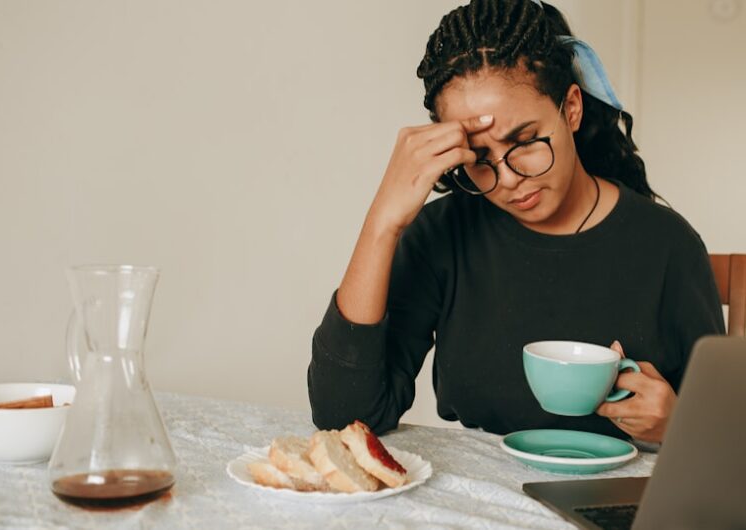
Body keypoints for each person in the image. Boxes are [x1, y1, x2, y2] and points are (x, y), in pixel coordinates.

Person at [308, 0, 724, 444]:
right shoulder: (442, 234)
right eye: (480, 158)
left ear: (572, 108)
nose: (507, 181)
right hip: (478, 497)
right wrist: (382, 222)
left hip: (618, 499)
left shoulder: (666, 245)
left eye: (525, 141)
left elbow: (728, 440)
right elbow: (344, 414)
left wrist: (680, 423)